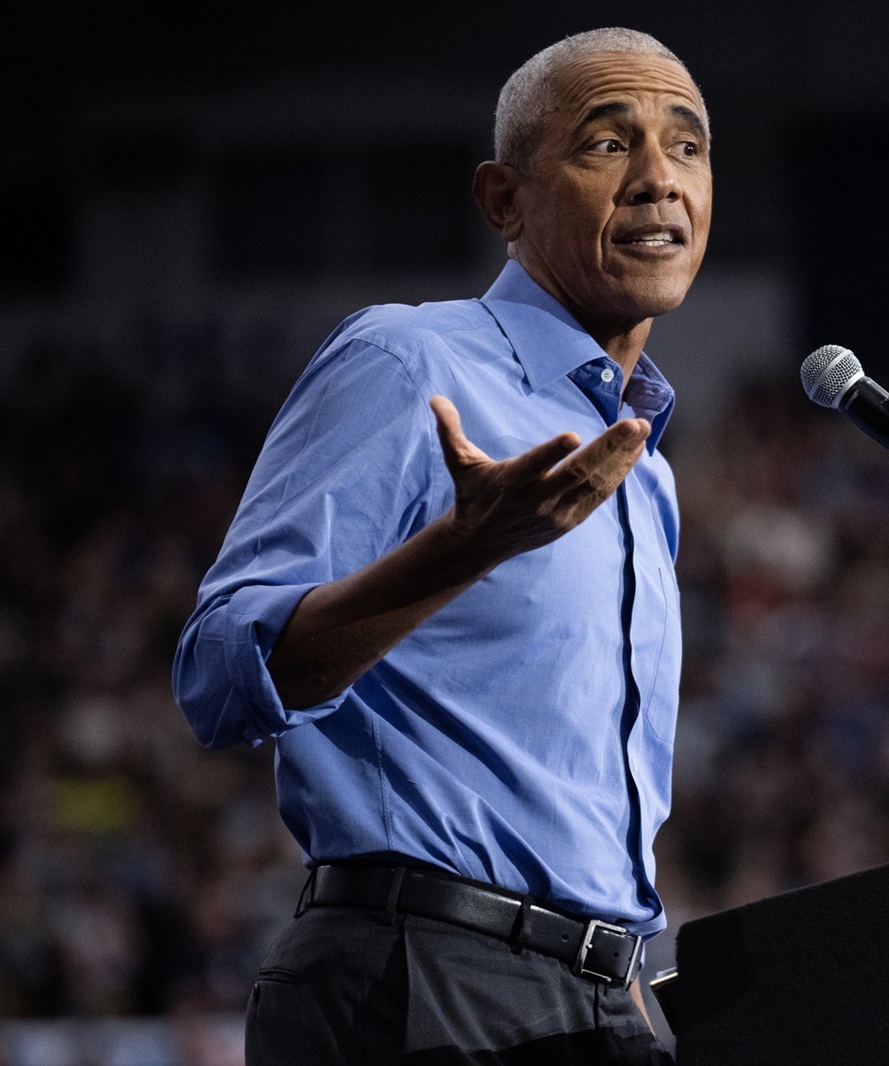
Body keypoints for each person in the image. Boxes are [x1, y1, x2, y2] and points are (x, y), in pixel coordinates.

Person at [172, 26, 711, 1065]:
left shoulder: (644, 468)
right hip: (416, 985)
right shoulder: (407, 357)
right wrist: (462, 550)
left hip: (597, 1002)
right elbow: (215, 676)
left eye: (686, 147)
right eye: (607, 144)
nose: (658, 181)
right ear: (504, 200)